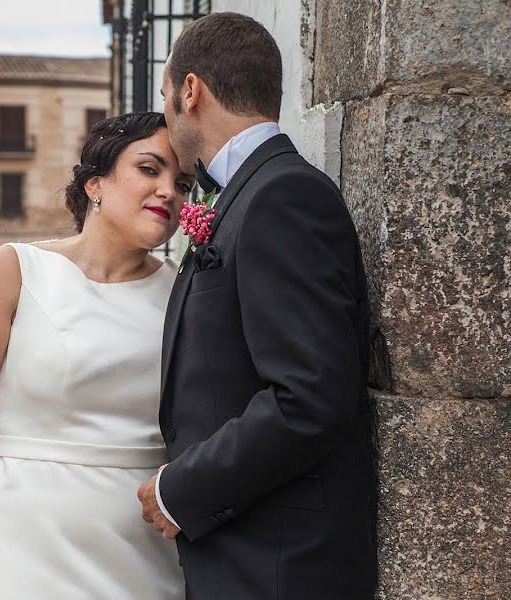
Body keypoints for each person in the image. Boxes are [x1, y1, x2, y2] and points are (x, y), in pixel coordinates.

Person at [136, 12, 377, 599]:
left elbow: (309, 396)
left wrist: (181, 490)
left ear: (191, 91)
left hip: (278, 570)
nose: (169, 117)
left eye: (167, 97)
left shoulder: (282, 195)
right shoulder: (250, 192)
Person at [0, 112, 195, 599]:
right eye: (149, 170)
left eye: (183, 182)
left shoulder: (185, 295)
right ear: (96, 183)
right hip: (11, 556)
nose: (169, 192)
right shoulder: (10, 273)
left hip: (140, 564)